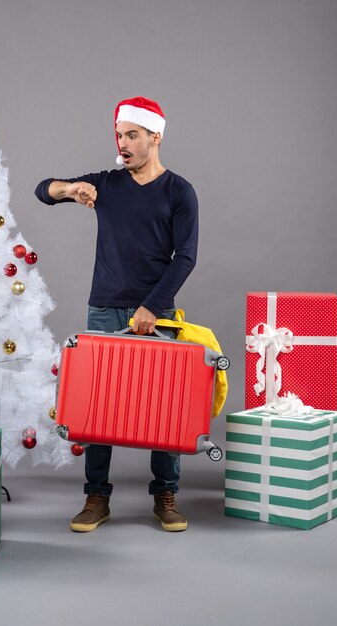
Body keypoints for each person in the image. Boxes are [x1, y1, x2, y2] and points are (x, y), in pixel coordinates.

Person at [34, 96, 198, 532]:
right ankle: (96, 497)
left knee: (164, 405)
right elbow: (42, 189)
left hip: (158, 314)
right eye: (119, 135)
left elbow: (186, 257)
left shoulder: (179, 191)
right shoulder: (104, 183)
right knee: (98, 405)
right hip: (104, 308)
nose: (122, 143)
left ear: (155, 137)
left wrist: (152, 307)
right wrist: (69, 189)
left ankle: (166, 494)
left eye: (132, 135)